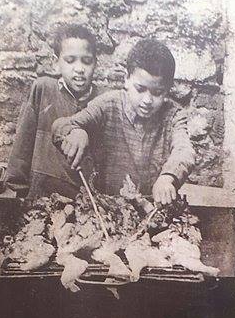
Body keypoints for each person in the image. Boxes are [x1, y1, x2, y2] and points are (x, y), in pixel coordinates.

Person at [52, 38, 195, 205]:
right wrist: (76, 131)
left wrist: (168, 177)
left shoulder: (173, 115)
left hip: (153, 210)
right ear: (127, 79)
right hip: (107, 208)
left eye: (157, 92)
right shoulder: (108, 104)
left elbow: (184, 150)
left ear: (168, 88)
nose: (147, 100)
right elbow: (60, 125)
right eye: (140, 89)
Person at [5, 24, 101, 200]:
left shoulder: (102, 101)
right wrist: (18, 190)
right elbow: (22, 145)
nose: (79, 69)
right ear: (56, 62)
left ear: (96, 63)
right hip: (41, 197)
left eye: (86, 61)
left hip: (84, 202)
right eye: (70, 60)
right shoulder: (43, 89)